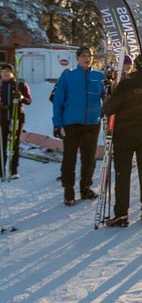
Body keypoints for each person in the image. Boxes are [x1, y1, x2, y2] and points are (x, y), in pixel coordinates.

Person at [101, 54, 142, 226]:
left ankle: (121, 214)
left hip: (125, 133)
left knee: (123, 174)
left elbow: (110, 107)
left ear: (135, 65)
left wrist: (111, 92)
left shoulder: (126, 84)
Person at [52, 46, 105, 206]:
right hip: (71, 124)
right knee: (70, 158)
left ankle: (85, 187)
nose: (86, 58)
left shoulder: (99, 76)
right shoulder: (68, 76)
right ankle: (68, 190)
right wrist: (57, 124)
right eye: (83, 56)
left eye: (89, 56)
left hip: (92, 123)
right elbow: (58, 101)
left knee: (89, 159)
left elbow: (107, 98)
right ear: (77, 58)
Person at [0, 63, 32, 179]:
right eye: (3, 72)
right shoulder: (0, 84)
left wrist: (21, 97)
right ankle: (1, 170)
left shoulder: (20, 84)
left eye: (7, 71)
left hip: (16, 118)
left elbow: (29, 101)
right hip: (2, 118)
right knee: (1, 144)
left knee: (14, 143)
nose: (5, 74)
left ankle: (13, 170)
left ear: (12, 72)